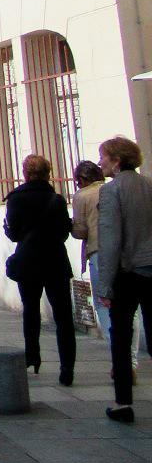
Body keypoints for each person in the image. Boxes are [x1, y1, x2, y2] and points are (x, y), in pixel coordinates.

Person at [4, 154, 75, 384]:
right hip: (55, 261)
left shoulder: (15, 198)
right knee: (63, 316)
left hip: (28, 261)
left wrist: (12, 231)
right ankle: (67, 367)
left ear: (25, 174)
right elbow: (64, 232)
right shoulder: (56, 199)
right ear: (48, 174)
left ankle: (32, 356)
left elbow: (14, 234)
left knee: (31, 310)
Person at [95, 135, 152, 424]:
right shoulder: (149, 184)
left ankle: (123, 403)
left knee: (121, 336)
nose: (100, 162)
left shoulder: (111, 190)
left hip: (127, 271)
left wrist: (104, 285)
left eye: (104, 156)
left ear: (116, 161)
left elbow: (110, 240)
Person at [73, 160, 135, 382]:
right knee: (130, 307)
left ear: (81, 179)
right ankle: (131, 360)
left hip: (98, 250)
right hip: (125, 251)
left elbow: (80, 231)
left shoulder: (82, 195)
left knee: (103, 303)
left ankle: (119, 358)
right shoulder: (115, 188)